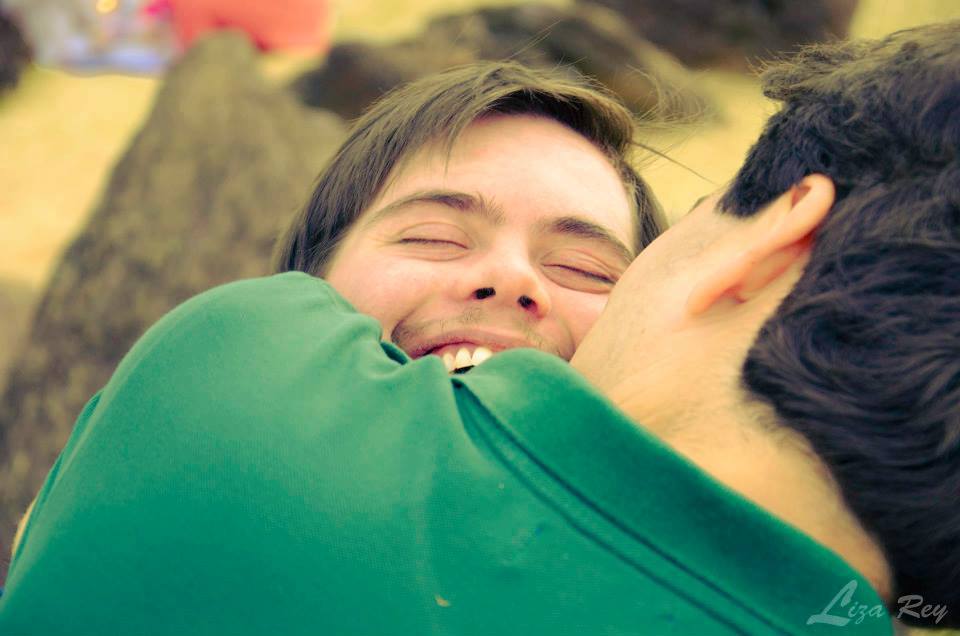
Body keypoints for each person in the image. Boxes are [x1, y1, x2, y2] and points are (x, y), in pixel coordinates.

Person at [1, 24, 957, 633]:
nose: (511, 279)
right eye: (431, 235)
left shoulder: (222, 372)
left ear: (775, 238)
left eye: (588, 268)